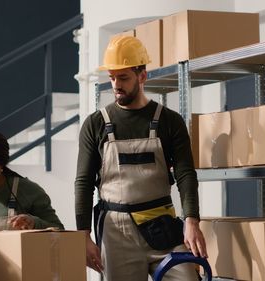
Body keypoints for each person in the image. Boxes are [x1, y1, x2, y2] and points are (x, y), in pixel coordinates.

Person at [75, 35, 207, 281]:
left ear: (142, 76)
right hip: (117, 231)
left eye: (123, 77)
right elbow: (83, 182)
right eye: (112, 77)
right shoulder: (95, 124)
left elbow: (186, 173)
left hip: (162, 225)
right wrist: (83, 235)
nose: (116, 84)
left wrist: (191, 220)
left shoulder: (169, 121)